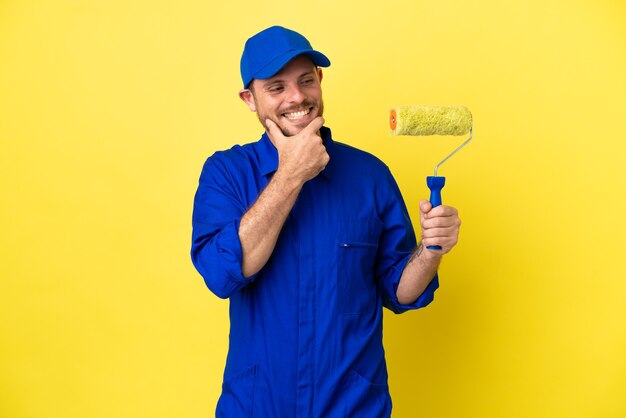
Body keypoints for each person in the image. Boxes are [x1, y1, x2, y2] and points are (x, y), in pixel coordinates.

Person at [191, 25, 461, 417]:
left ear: (320, 80)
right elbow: (222, 275)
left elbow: (400, 292)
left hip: (353, 408)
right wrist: (291, 175)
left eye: (305, 81)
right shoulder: (226, 174)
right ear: (250, 99)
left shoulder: (370, 176)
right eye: (277, 87)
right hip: (257, 407)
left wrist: (431, 249)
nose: (297, 97)